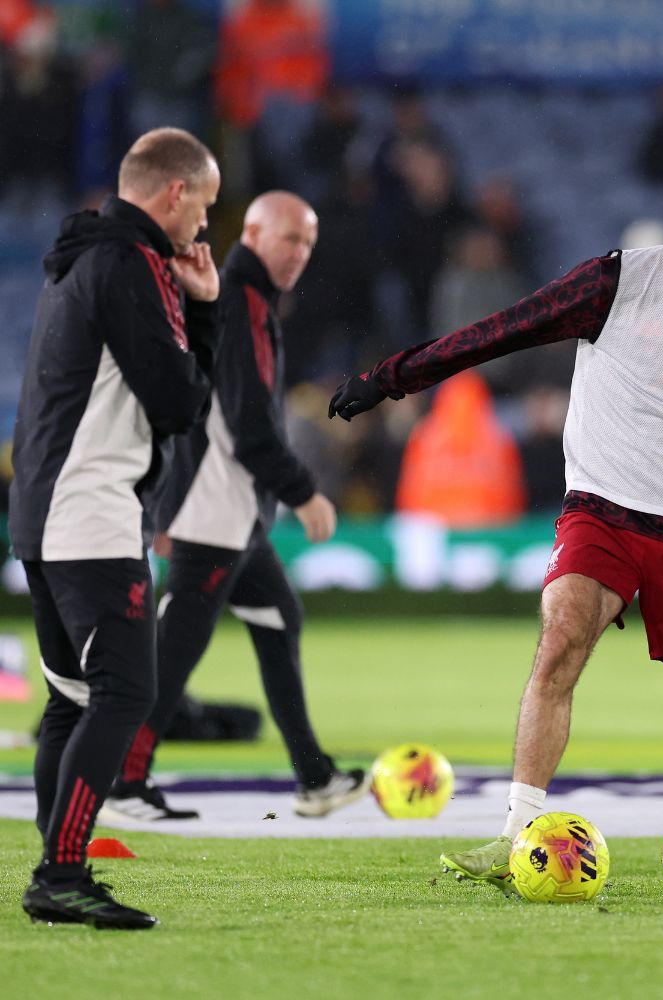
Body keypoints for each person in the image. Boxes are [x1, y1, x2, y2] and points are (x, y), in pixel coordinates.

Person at [329, 152, 663, 897]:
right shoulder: (618, 281)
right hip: (602, 505)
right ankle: (514, 835)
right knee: (561, 637)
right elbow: (502, 331)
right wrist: (392, 377)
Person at [8, 127, 222, 929]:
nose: (204, 226)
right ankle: (61, 873)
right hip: (88, 512)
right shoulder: (132, 266)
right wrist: (205, 316)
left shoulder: (82, 258)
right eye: (203, 205)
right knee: (127, 692)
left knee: (71, 701)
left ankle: (57, 864)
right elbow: (177, 403)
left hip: (45, 510)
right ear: (174, 193)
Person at [99, 191, 370, 826]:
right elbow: (247, 425)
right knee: (176, 651)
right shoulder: (240, 301)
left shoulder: (233, 297)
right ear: (252, 232)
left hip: (230, 514)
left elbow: (199, 413)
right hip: (215, 514)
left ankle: (315, 777)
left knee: (280, 621)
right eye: (289, 239)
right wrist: (303, 491)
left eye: (308, 242)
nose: (300, 254)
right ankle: (122, 783)